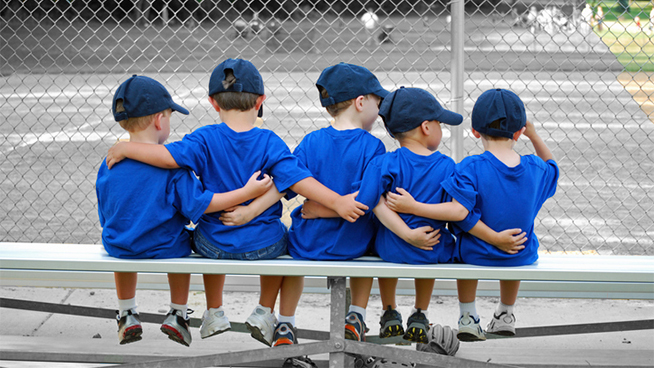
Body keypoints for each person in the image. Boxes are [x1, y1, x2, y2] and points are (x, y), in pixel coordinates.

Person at [105, 59, 368, 349]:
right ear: (260, 101)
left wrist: (127, 146)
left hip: (212, 245)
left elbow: (167, 157)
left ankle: (215, 311)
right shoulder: (270, 141)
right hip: (263, 246)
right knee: (285, 236)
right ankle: (264, 311)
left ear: (213, 103)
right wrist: (337, 202)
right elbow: (297, 179)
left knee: (204, 231)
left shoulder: (204, 138)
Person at [97, 75, 273, 346]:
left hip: (119, 246)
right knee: (184, 239)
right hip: (164, 247)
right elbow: (202, 205)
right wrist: (247, 194)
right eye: (169, 116)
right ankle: (178, 313)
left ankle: (127, 312)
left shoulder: (109, 163)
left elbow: (107, 214)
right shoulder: (174, 170)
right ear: (159, 121)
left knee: (122, 238)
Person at [280, 64, 440, 346]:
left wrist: (319, 209)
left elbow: (292, 183)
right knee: (370, 242)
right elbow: (368, 200)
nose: (379, 111)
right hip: (352, 244)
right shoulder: (372, 146)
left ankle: (286, 322)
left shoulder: (311, 141)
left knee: (293, 259)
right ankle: (356, 314)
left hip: (308, 243)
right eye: (377, 102)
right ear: (360, 102)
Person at [349, 87, 468, 344]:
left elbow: (368, 201)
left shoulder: (384, 162)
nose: (441, 129)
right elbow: (456, 211)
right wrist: (417, 225)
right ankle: (420, 313)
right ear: (426, 127)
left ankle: (390, 311)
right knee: (435, 246)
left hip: (390, 248)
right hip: (431, 248)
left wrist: (404, 232)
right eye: (439, 123)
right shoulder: (447, 165)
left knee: (379, 241)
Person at [441, 89, 559, 341]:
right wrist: (535, 136)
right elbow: (553, 168)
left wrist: (494, 238)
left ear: (475, 131)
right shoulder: (536, 168)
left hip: (476, 255)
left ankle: (468, 316)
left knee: (461, 251)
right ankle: (506, 313)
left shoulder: (469, 168)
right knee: (517, 242)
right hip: (520, 255)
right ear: (519, 132)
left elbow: (461, 216)